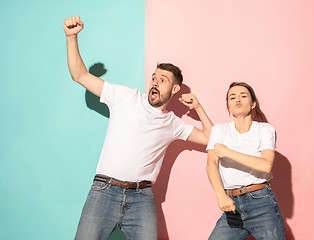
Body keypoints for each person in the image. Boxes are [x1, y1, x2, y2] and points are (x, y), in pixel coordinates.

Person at [63, 15, 213, 240]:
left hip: (141, 199)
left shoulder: (172, 123)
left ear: (175, 89)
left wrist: (199, 108)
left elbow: (210, 138)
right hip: (105, 191)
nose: (155, 81)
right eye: (154, 77)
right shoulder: (126, 97)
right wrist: (71, 37)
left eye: (162, 79)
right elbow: (80, 75)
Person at [206, 82, 286, 240]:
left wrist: (228, 152)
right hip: (232, 205)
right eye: (232, 97)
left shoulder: (265, 130)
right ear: (228, 106)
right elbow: (211, 164)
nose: (238, 99)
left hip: (262, 202)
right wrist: (220, 195)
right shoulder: (219, 130)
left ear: (253, 104)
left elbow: (266, 165)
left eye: (243, 96)